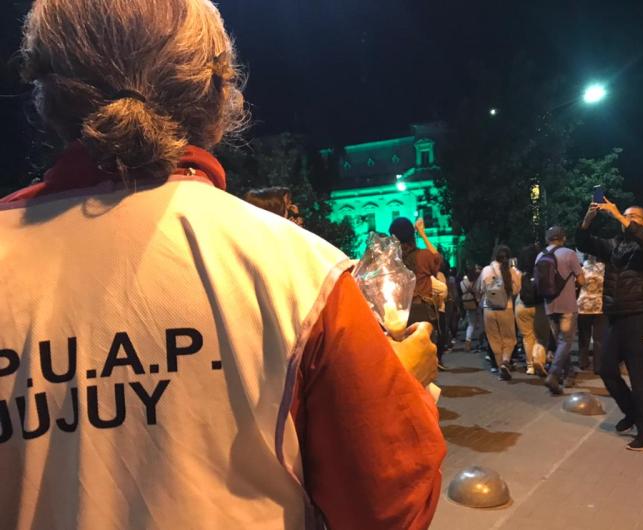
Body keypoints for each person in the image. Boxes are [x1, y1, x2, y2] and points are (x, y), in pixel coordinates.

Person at [0, 1, 446, 528]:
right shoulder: (301, 274)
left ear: (47, 90)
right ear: (218, 91)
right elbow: (390, 505)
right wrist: (405, 387)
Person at [577, 200, 643, 451]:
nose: (628, 219)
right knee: (605, 368)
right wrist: (587, 220)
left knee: (639, 376)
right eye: (626, 215)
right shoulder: (615, 245)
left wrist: (618, 215)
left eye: (634, 216)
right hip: (617, 315)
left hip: (640, 315)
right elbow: (584, 243)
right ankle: (634, 413)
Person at [537, 226, 585, 395]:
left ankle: (569, 374)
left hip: (549, 305)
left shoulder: (540, 256)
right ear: (563, 238)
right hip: (567, 305)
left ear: (547, 238)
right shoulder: (569, 253)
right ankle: (554, 374)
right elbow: (582, 279)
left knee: (560, 342)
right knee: (566, 341)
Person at [477, 245, 521, 380]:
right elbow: (516, 290)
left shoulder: (486, 270)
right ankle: (506, 361)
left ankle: (500, 365)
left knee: (494, 339)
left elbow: (480, 289)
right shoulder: (510, 271)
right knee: (509, 338)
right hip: (505, 308)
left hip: (488, 309)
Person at [515, 244, 549, 376]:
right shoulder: (541, 271)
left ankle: (530, 366)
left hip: (522, 305)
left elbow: (515, 290)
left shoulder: (518, 273)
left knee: (527, 336)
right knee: (541, 338)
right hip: (539, 306)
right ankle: (539, 360)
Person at [577, 255, 607, 374]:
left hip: (583, 305)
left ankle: (583, 362)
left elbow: (579, 283)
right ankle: (598, 366)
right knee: (599, 338)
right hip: (599, 304)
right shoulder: (603, 268)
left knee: (584, 336)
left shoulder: (580, 269)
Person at [460, 267, 483, 353]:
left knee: (471, 324)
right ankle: (481, 341)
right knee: (481, 323)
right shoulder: (476, 281)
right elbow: (479, 291)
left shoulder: (463, 282)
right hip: (477, 302)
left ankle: (468, 341)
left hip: (468, 303)